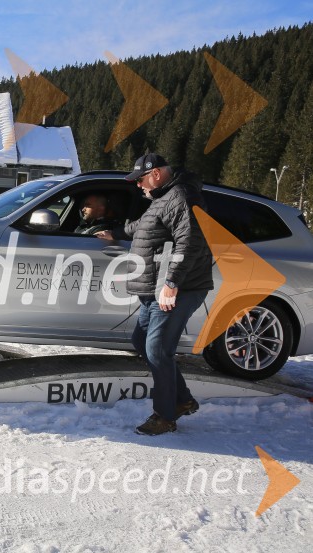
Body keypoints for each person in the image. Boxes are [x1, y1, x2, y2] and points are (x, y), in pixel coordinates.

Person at [96, 153, 214, 436]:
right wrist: (116, 232)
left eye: (140, 179)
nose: (138, 185)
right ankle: (182, 400)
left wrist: (172, 282)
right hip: (155, 286)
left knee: (157, 349)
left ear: (156, 174)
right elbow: (145, 228)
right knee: (142, 341)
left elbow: (191, 240)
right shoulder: (164, 198)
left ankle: (165, 415)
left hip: (177, 287)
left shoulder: (182, 197)